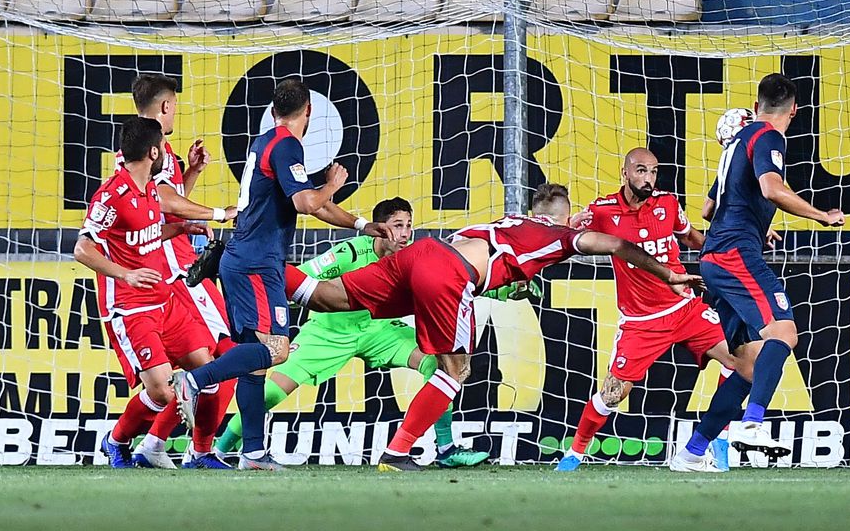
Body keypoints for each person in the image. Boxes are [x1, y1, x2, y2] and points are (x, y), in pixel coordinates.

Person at [285, 183, 704, 472]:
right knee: (455, 371)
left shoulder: (510, 221)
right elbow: (615, 245)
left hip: (424, 255)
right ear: (566, 219)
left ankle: (247, 265)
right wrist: (667, 273)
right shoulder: (562, 236)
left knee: (323, 296)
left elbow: (487, 256)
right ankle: (398, 452)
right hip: (450, 277)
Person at [171, 77, 392, 471]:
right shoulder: (287, 144)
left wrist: (361, 224)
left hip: (244, 259)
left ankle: (253, 453)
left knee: (255, 362)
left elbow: (316, 206)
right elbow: (309, 202)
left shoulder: (267, 142)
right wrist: (333, 183)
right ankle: (196, 380)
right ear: (308, 111)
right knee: (278, 350)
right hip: (257, 264)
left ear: (273, 111)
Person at [213, 197, 492, 468]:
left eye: (409, 225)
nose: (405, 233)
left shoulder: (416, 256)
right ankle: (220, 450)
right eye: (397, 225)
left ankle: (445, 449)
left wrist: (503, 289)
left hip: (380, 332)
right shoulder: (352, 252)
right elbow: (301, 278)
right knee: (272, 393)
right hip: (329, 333)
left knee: (441, 365)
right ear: (381, 228)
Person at [680, 73, 846, 468]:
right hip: (736, 254)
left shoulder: (734, 142)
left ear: (756, 106)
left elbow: (706, 210)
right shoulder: (767, 136)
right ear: (794, 110)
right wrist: (821, 215)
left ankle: (692, 451)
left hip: (716, 255)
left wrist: (757, 222)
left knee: (748, 366)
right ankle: (752, 424)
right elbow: (771, 188)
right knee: (785, 331)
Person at [555, 148, 753, 473]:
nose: (648, 178)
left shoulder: (668, 204)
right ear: (625, 172)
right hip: (641, 322)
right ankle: (574, 455)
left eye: (653, 172)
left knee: (741, 361)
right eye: (641, 171)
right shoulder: (602, 211)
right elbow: (566, 232)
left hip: (685, 308)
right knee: (611, 394)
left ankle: (718, 439)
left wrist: (734, 245)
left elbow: (691, 237)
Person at [73, 117, 216, 468]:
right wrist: (127, 274)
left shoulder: (149, 187)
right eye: (165, 149)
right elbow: (82, 248)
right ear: (154, 152)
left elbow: (150, 230)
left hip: (164, 300)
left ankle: (195, 453)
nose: (168, 154)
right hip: (132, 309)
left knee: (209, 370)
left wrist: (181, 226)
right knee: (163, 392)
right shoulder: (112, 194)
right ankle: (117, 440)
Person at [124, 74, 238, 471]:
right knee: (227, 359)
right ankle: (189, 448)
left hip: (179, 265)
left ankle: (158, 444)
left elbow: (166, 204)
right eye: (175, 105)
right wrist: (221, 213)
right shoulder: (148, 149)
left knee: (222, 362)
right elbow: (164, 201)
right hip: (174, 271)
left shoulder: (153, 148)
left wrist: (190, 174)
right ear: (167, 106)